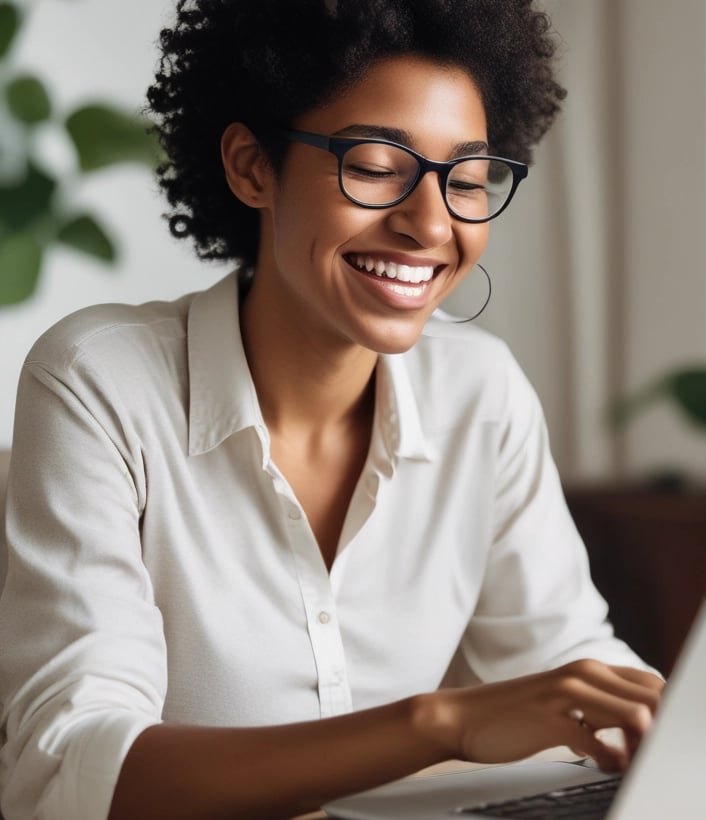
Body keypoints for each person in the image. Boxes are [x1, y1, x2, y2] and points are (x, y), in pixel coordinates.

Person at [0, 1, 663, 818]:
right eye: (378, 165)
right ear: (250, 167)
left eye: (466, 180)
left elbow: (570, 664)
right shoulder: (100, 383)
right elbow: (73, 771)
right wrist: (441, 723)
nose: (431, 224)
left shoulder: (479, 393)